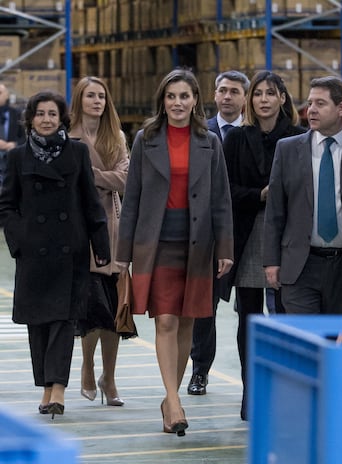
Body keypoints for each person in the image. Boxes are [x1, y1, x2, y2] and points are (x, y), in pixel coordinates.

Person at [117, 68, 233, 436]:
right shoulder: (145, 139)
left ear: (196, 100)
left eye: (185, 96)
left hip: (198, 244)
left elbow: (221, 200)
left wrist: (225, 248)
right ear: (162, 101)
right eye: (171, 96)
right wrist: (123, 254)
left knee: (186, 322)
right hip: (157, 244)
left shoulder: (210, 141)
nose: (178, 103)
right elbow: (131, 199)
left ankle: (171, 400)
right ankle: (175, 399)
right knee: (164, 320)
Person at [0, 91, 110, 419]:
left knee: (64, 319)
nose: (47, 120)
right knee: (39, 322)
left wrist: (101, 246)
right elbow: (6, 204)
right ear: (30, 119)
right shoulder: (19, 157)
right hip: (33, 253)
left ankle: (58, 386)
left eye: (52, 114)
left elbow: (91, 202)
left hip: (70, 250)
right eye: (40, 114)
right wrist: (20, 240)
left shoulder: (77, 152)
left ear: (62, 118)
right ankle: (46, 386)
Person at [222, 70, 306, 420]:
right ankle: (252, 395)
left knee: (287, 317)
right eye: (258, 94)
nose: (264, 99)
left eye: (271, 93)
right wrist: (259, 195)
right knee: (250, 318)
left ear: (282, 98)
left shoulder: (300, 137)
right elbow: (225, 190)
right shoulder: (237, 139)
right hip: (249, 233)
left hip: (290, 236)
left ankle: (288, 394)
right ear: (250, 100)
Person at [264, 76, 342, 318]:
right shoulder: (287, 149)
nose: (311, 110)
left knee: (340, 343)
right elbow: (275, 211)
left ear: (341, 109)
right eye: (310, 103)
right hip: (301, 264)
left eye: (320, 103)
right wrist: (271, 261)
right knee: (306, 344)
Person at [188, 70, 249, 396]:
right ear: (214, 95)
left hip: (249, 234)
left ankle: (251, 379)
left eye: (234, 91)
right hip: (210, 235)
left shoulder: (254, 133)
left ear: (244, 97)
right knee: (204, 309)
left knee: (249, 309)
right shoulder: (200, 132)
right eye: (222, 90)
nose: (227, 96)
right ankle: (200, 371)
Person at [69, 76, 130, 406]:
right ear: (79, 99)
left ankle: (110, 375)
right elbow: (70, 181)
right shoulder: (68, 137)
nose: (97, 101)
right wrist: (104, 181)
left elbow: (125, 178)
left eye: (102, 96)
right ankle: (88, 368)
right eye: (91, 95)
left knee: (114, 309)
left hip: (114, 228)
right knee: (91, 307)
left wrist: (91, 177)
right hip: (81, 229)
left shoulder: (116, 136)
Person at [0, 83, 25, 192]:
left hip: (12, 162)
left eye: (0, 93)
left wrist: (14, 144)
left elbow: (25, 138)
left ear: (7, 95)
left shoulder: (17, 114)